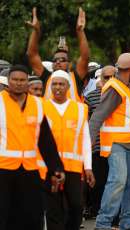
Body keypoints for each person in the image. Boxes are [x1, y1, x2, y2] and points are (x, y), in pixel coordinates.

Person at [0, 65, 64, 230]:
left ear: (27, 82)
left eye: (22, 80)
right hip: (3, 169)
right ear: (8, 81)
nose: (18, 83)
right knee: (4, 215)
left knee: (32, 215)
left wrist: (56, 167)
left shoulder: (37, 104)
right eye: (15, 80)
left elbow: (46, 140)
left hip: (29, 169)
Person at [90, 53, 130, 230]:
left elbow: (128, 115)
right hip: (116, 144)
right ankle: (103, 224)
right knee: (117, 182)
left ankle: (127, 223)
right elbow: (97, 117)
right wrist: (90, 143)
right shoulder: (115, 88)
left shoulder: (126, 87)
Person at [43, 70, 95, 230]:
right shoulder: (41, 107)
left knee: (76, 205)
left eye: (61, 84)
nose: (57, 87)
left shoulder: (80, 109)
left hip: (73, 167)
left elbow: (85, 138)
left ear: (68, 86)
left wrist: (88, 167)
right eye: (54, 84)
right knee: (53, 209)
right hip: (50, 167)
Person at [26, 7, 89, 101]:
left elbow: (85, 57)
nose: (58, 62)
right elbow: (32, 55)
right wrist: (36, 31)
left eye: (63, 60)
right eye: (55, 60)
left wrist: (80, 32)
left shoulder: (75, 77)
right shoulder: (47, 77)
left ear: (69, 63)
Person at [84, 65, 115, 218]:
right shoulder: (90, 97)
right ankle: (97, 211)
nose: (109, 80)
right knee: (99, 181)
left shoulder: (120, 95)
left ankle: (113, 214)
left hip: (116, 145)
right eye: (106, 77)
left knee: (115, 181)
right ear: (100, 79)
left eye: (112, 77)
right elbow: (87, 122)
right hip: (97, 145)